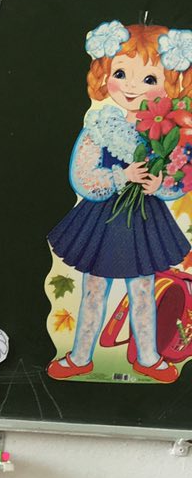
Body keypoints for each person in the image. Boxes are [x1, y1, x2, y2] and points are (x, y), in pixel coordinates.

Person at [47, 21, 192, 383]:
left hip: (144, 221)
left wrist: (159, 184)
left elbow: (179, 175)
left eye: (149, 79)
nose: (131, 86)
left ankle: (148, 357)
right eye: (121, 73)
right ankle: (80, 356)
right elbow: (84, 176)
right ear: (104, 75)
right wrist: (121, 176)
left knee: (143, 290)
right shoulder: (99, 126)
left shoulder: (167, 129)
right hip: (104, 221)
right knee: (94, 289)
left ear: (170, 84)